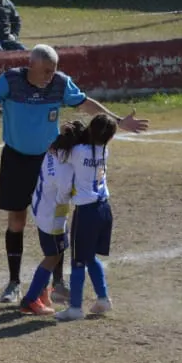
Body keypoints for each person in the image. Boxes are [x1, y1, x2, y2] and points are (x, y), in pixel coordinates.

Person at [0, 44, 148, 304]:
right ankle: (14, 283)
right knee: (16, 220)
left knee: (56, 222)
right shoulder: (11, 80)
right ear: (32, 65)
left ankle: (58, 284)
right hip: (16, 159)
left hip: (51, 161)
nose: (50, 75)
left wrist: (117, 120)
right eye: (46, 70)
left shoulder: (60, 83)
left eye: (54, 70)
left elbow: (85, 104)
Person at [56, 113, 118, 321]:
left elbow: (58, 151)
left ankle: (75, 307)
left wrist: (65, 131)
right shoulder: (104, 150)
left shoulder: (78, 151)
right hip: (103, 209)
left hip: (86, 212)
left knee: (78, 261)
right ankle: (102, 297)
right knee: (90, 257)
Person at [18, 120, 82, 315]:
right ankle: (30, 299)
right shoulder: (66, 168)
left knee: (58, 251)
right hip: (52, 216)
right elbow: (65, 195)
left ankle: (44, 293)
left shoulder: (53, 151)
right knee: (52, 256)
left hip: (42, 208)